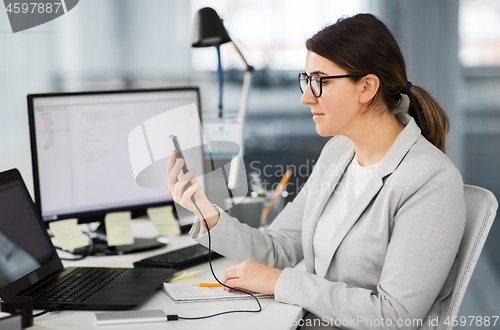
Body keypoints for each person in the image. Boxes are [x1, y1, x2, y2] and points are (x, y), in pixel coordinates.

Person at [167, 13, 465, 330]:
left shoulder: (430, 180)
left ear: (366, 87)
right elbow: (278, 249)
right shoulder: (337, 153)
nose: (306, 96)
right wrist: (206, 211)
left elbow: (395, 317)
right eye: (306, 80)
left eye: (320, 81)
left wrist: (281, 282)